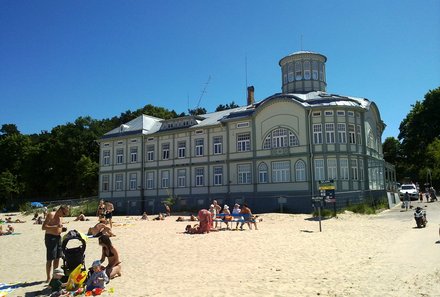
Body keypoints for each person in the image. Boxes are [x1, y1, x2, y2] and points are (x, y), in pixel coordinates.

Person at [42, 205, 69, 282]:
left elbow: (58, 228)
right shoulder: (51, 215)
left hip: (58, 237)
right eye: (64, 213)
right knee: (50, 258)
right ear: (60, 210)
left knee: (57, 258)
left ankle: (55, 276)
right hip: (50, 238)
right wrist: (56, 226)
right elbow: (44, 227)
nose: (64, 215)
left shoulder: (61, 217)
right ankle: (48, 277)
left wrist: (62, 229)